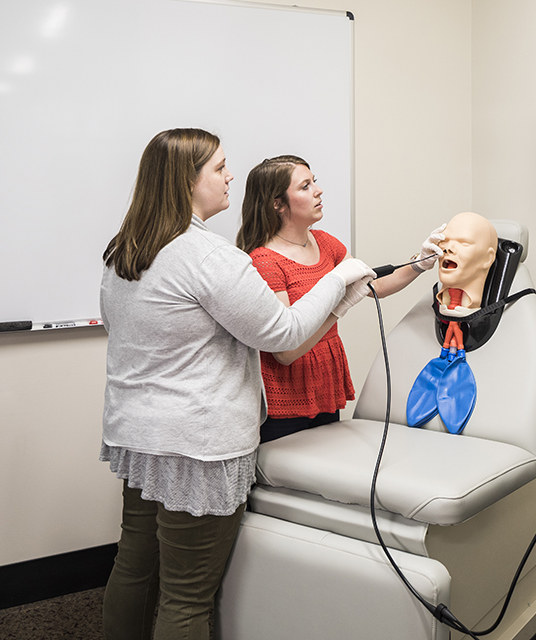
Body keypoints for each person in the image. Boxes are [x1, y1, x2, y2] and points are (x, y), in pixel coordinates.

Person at [99, 129, 374, 640]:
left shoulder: (127, 249)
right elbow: (284, 333)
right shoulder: (209, 256)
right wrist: (338, 279)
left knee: (135, 568)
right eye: (220, 169)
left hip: (137, 435)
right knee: (186, 598)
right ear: (188, 181)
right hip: (196, 447)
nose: (230, 177)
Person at [237, 155, 445, 443]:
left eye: (315, 183)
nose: (318, 191)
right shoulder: (264, 261)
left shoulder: (325, 242)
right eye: (305, 186)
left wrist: (420, 263)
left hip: (323, 384)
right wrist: (339, 308)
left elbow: (374, 285)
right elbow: (286, 351)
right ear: (278, 204)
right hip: (285, 395)